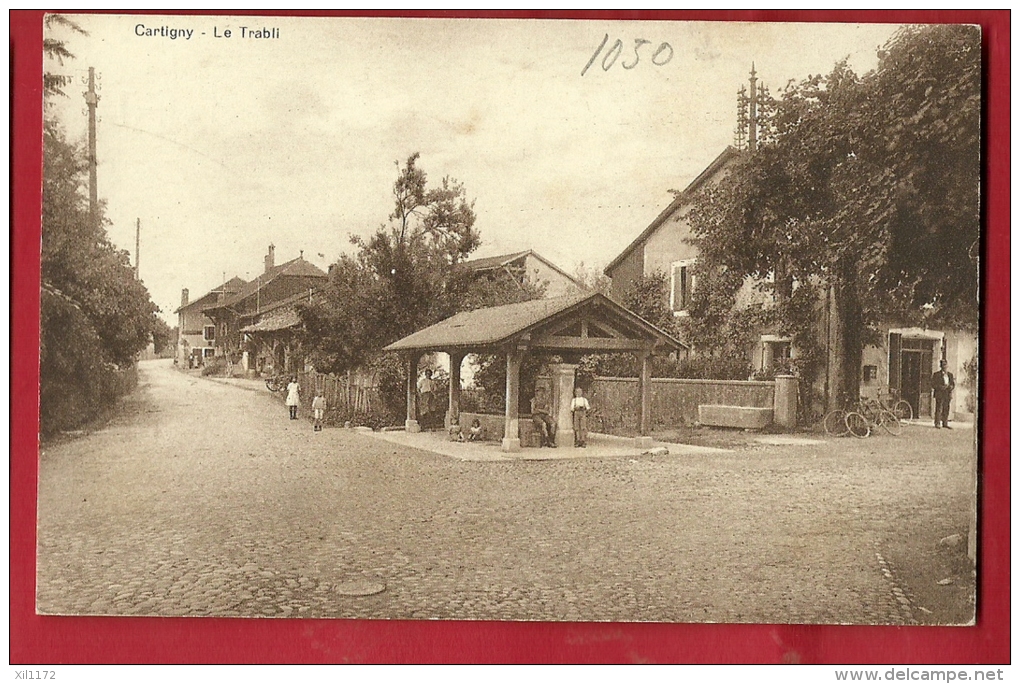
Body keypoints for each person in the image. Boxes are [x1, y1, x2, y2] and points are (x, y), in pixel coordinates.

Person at [931, 359, 955, 429]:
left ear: (947, 365)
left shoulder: (950, 375)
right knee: (938, 408)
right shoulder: (936, 374)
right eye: (943, 365)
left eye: (945, 365)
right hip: (939, 393)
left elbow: (953, 384)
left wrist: (951, 387)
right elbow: (933, 384)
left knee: (946, 408)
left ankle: (945, 423)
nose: (944, 366)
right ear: (940, 366)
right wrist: (940, 387)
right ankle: (937, 423)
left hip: (947, 394)